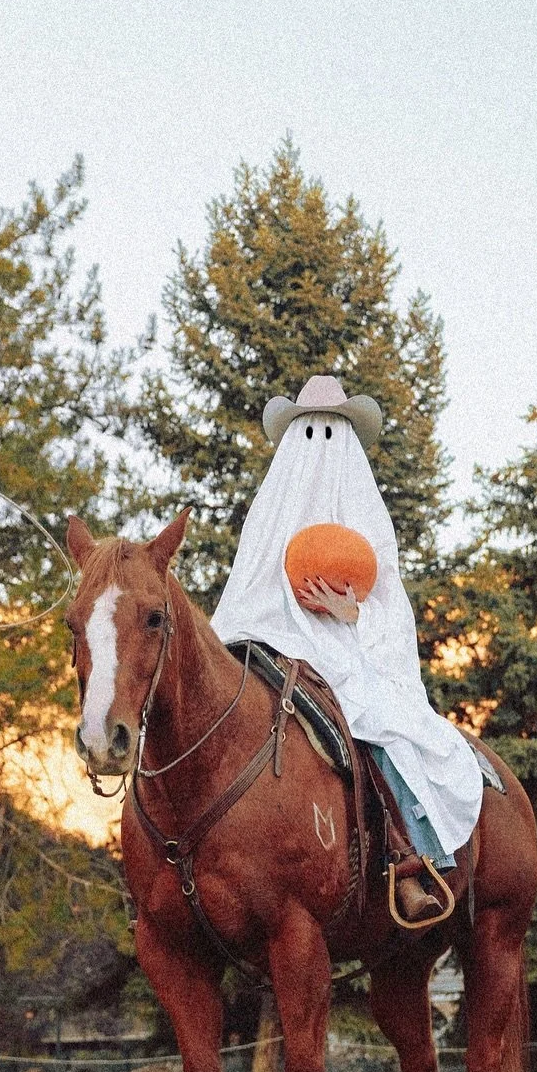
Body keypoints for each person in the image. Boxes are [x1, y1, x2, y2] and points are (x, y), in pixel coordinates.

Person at [211, 375, 483, 925]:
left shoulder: (366, 514)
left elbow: (391, 604)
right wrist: (251, 629)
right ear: (293, 437)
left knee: (380, 723)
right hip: (269, 642)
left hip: (348, 651)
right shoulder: (272, 510)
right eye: (309, 431)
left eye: (332, 431)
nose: (320, 443)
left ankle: (410, 859)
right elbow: (246, 587)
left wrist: (353, 614)